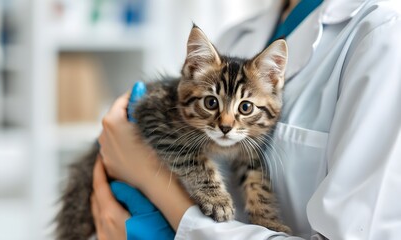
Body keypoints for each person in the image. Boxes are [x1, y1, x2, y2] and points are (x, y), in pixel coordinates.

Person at [92, 0, 401, 239]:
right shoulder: (237, 33)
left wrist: (164, 198)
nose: (226, 122)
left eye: (242, 110)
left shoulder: (384, 31)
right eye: (213, 103)